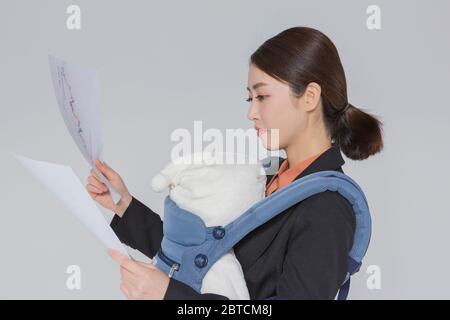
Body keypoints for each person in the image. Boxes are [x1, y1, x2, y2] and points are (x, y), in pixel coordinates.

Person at [86, 26, 383, 300]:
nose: (251, 113)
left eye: (262, 96)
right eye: (249, 99)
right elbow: (203, 256)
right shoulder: (266, 178)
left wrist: (170, 296)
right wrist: (123, 204)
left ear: (309, 97)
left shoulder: (327, 209)